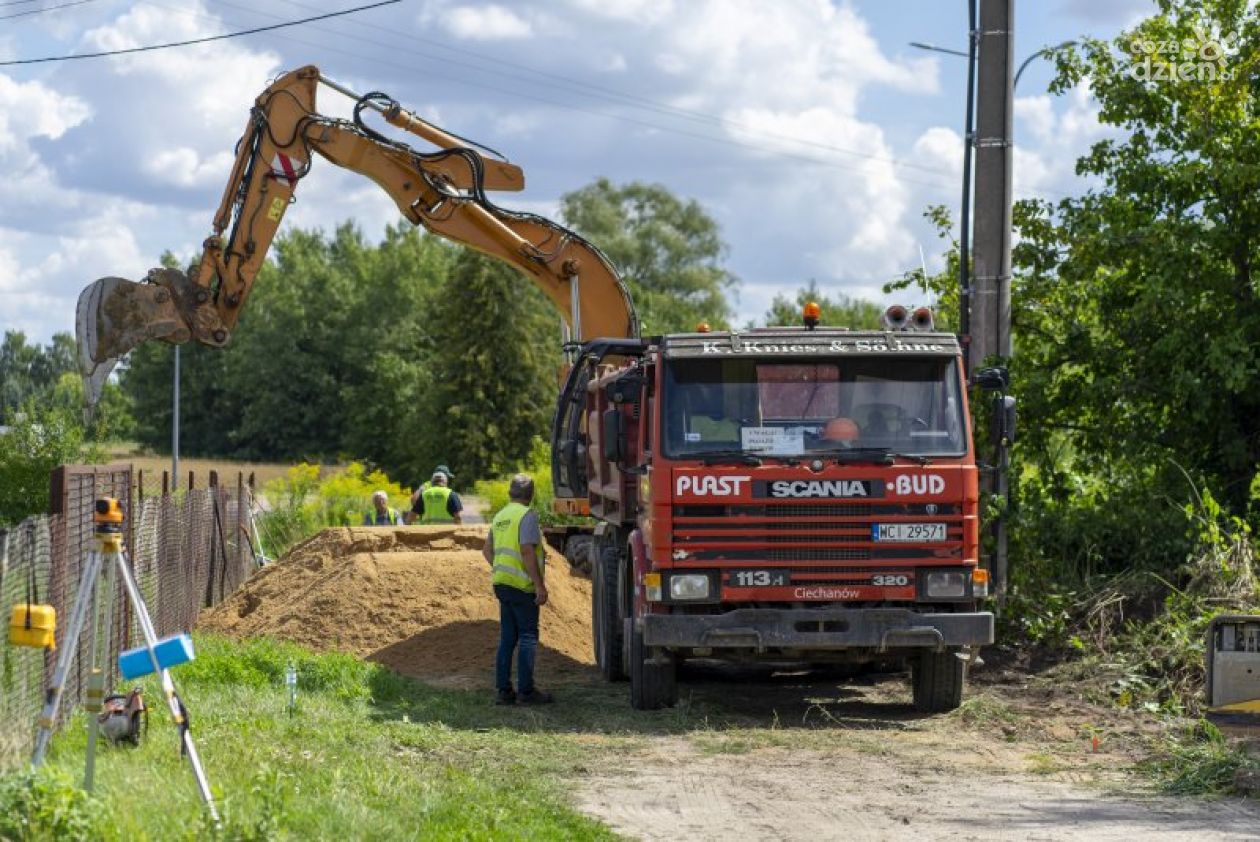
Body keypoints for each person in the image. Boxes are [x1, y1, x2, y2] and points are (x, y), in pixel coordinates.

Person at [481, 474, 553, 705]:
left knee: (507, 639)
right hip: (522, 586)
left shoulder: (500, 516)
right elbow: (527, 551)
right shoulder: (527, 516)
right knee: (528, 637)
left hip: (501, 583)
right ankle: (526, 692)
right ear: (530, 495)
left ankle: (504, 691)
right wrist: (539, 585)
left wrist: (502, 569)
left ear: (510, 493)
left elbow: (486, 551)